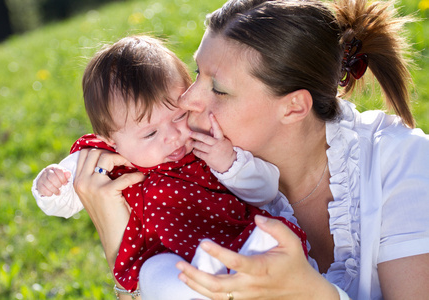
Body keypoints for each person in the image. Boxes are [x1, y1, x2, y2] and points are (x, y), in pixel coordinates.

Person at [72, 0, 429, 299]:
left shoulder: (398, 162)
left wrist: (309, 292)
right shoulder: (190, 168)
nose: (187, 99)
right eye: (197, 72)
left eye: (219, 89)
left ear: (293, 108)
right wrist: (116, 234)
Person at [32, 35, 308, 300]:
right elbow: (65, 199)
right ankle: (195, 287)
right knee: (154, 274)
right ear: (111, 139)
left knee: (272, 237)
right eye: (150, 134)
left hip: (234, 232)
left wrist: (229, 164)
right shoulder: (101, 155)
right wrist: (51, 186)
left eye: (179, 116)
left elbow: (266, 190)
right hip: (167, 253)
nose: (173, 136)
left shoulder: (207, 141)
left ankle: (247, 263)